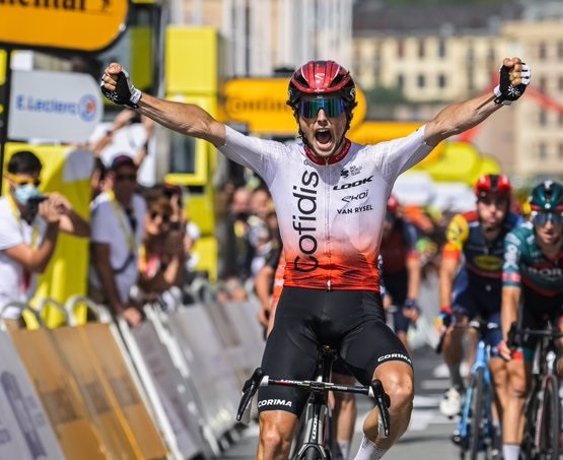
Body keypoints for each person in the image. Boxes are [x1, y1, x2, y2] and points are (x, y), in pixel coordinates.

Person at [101, 56, 531, 459]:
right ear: (298, 116)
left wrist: (498, 94)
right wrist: (134, 98)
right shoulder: (277, 161)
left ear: (347, 111)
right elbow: (203, 125)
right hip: (297, 313)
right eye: (310, 108)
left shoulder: (376, 161)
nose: (320, 117)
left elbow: (442, 125)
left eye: (329, 106)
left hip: (358, 310)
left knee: (399, 392)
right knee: (273, 439)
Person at [499, 180, 563, 460]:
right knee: (517, 385)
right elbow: (509, 296)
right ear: (532, 217)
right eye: (541, 217)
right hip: (529, 306)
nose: (549, 225)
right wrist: (509, 338)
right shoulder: (518, 239)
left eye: (556, 216)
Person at [436, 174, 520, 425]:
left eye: (499, 203)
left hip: (501, 295)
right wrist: (444, 309)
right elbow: (447, 270)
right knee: (451, 331)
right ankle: (455, 386)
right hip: (470, 289)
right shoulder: (462, 224)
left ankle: (499, 428)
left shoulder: (517, 227)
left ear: (507, 205)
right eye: (486, 202)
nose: (493, 210)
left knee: (501, 361)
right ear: (477, 203)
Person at [0, 150, 90, 328]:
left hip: (18, 309)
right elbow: (36, 264)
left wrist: (69, 210)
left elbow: (84, 231)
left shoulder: (39, 209)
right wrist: (53, 227)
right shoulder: (3, 215)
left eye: (36, 182)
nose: (31, 188)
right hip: (3, 311)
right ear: (9, 180)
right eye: (24, 183)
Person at [89, 154, 147, 327]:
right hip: (103, 292)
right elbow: (102, 262)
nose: (127, 183)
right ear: (112, 179)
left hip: (124, 290)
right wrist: (118, 306)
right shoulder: (103, 208)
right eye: (121, 178)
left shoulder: (139, 203)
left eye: (131, 177)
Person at [380, 195, 421, 350]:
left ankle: (407, 372)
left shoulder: (406, 229)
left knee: (402, 336)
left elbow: (414, 268)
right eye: (382, 219)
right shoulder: (368, 230)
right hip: (378, 278)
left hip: (400, 280)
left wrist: (412, 300)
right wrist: (381, 291)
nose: (385, 225)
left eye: (389, 219)